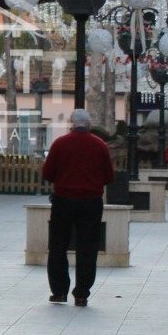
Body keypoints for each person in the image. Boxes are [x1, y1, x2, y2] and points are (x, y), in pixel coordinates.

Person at [41, 108, 115, 306]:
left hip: (63, 201)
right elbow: (109, 176)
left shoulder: (60, 144)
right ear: (89, 124)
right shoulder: (100, 145)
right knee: (88, 248)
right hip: (91, 202)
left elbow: (48, 172)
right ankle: (81, 293)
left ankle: (59, 291)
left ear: (72, 123)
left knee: (58, 246)